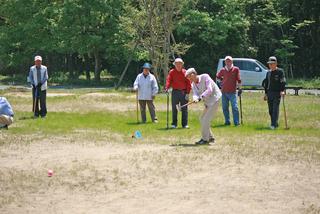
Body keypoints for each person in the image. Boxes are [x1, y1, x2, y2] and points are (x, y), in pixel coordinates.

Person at [185, 68, 222, 145]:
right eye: (188, 78)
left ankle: (205, 139)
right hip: (208, 102)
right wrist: (195, 98)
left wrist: (200, 97)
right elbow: (195, 94)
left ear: (193, 74)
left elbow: (210, 89)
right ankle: (211, 137)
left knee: (206, 120)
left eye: (189, 77)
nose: (189, 79)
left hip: (215, 99)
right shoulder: (193, 84)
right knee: (202, 119)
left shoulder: (205, 77)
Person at [165, 58, 191, 128]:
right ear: (175, 65)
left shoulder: (185, 72)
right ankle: (174, 124)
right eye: (177, 64)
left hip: (184, 92)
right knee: (174, 108)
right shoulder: (172, 72)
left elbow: (188, 83)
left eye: (180, 64)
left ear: (182, 64)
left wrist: (188, 93)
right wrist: (167, 88)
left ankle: (184, 124)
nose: (178, 65)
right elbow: (168, 80)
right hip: (175, 92)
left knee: (184, 108)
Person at [216, 56, 242, 126]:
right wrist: (222, 81)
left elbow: (239, 80)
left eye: (229, 61)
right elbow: (217, 77)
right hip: (224, 92)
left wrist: (240, 88)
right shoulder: (223, 70)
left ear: (232, 62)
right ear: (225, 62)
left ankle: (236, 123)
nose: (228, 62)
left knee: (235, 107)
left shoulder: (236, 69)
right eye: (227, 61)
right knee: (225, 107)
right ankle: (227, 121)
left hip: (232, 92)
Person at [262, 56, 286, 129]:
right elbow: (266, 84)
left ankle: (273, 125)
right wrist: (266, 94)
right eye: (269, 64)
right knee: (270, 110)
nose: (270, 65)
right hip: (269, 93)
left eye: (272, 64)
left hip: (277, 93)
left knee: (275, 109)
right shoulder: (268, 72)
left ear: (276, 64)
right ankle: (275, 123)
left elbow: (283, 82)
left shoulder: (280, 71)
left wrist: (283, 91)